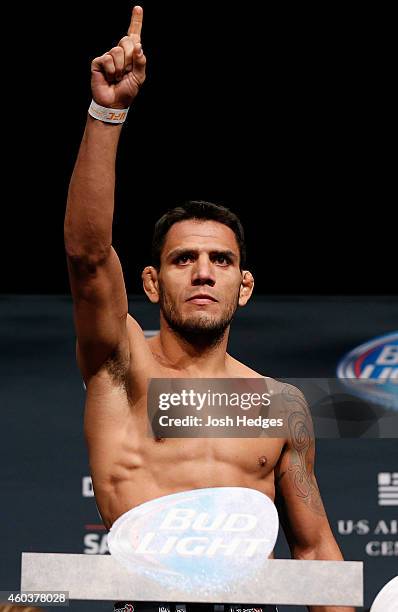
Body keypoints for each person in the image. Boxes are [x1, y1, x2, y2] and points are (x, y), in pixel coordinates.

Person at [64, 6, 354, 612]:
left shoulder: (279, 406)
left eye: (221, 261)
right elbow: (89, 256)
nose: (202, 272)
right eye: (183, 260)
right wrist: (108, 112)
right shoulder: (122, 370)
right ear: (151, 281)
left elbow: (313, 548)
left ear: (243, 287)